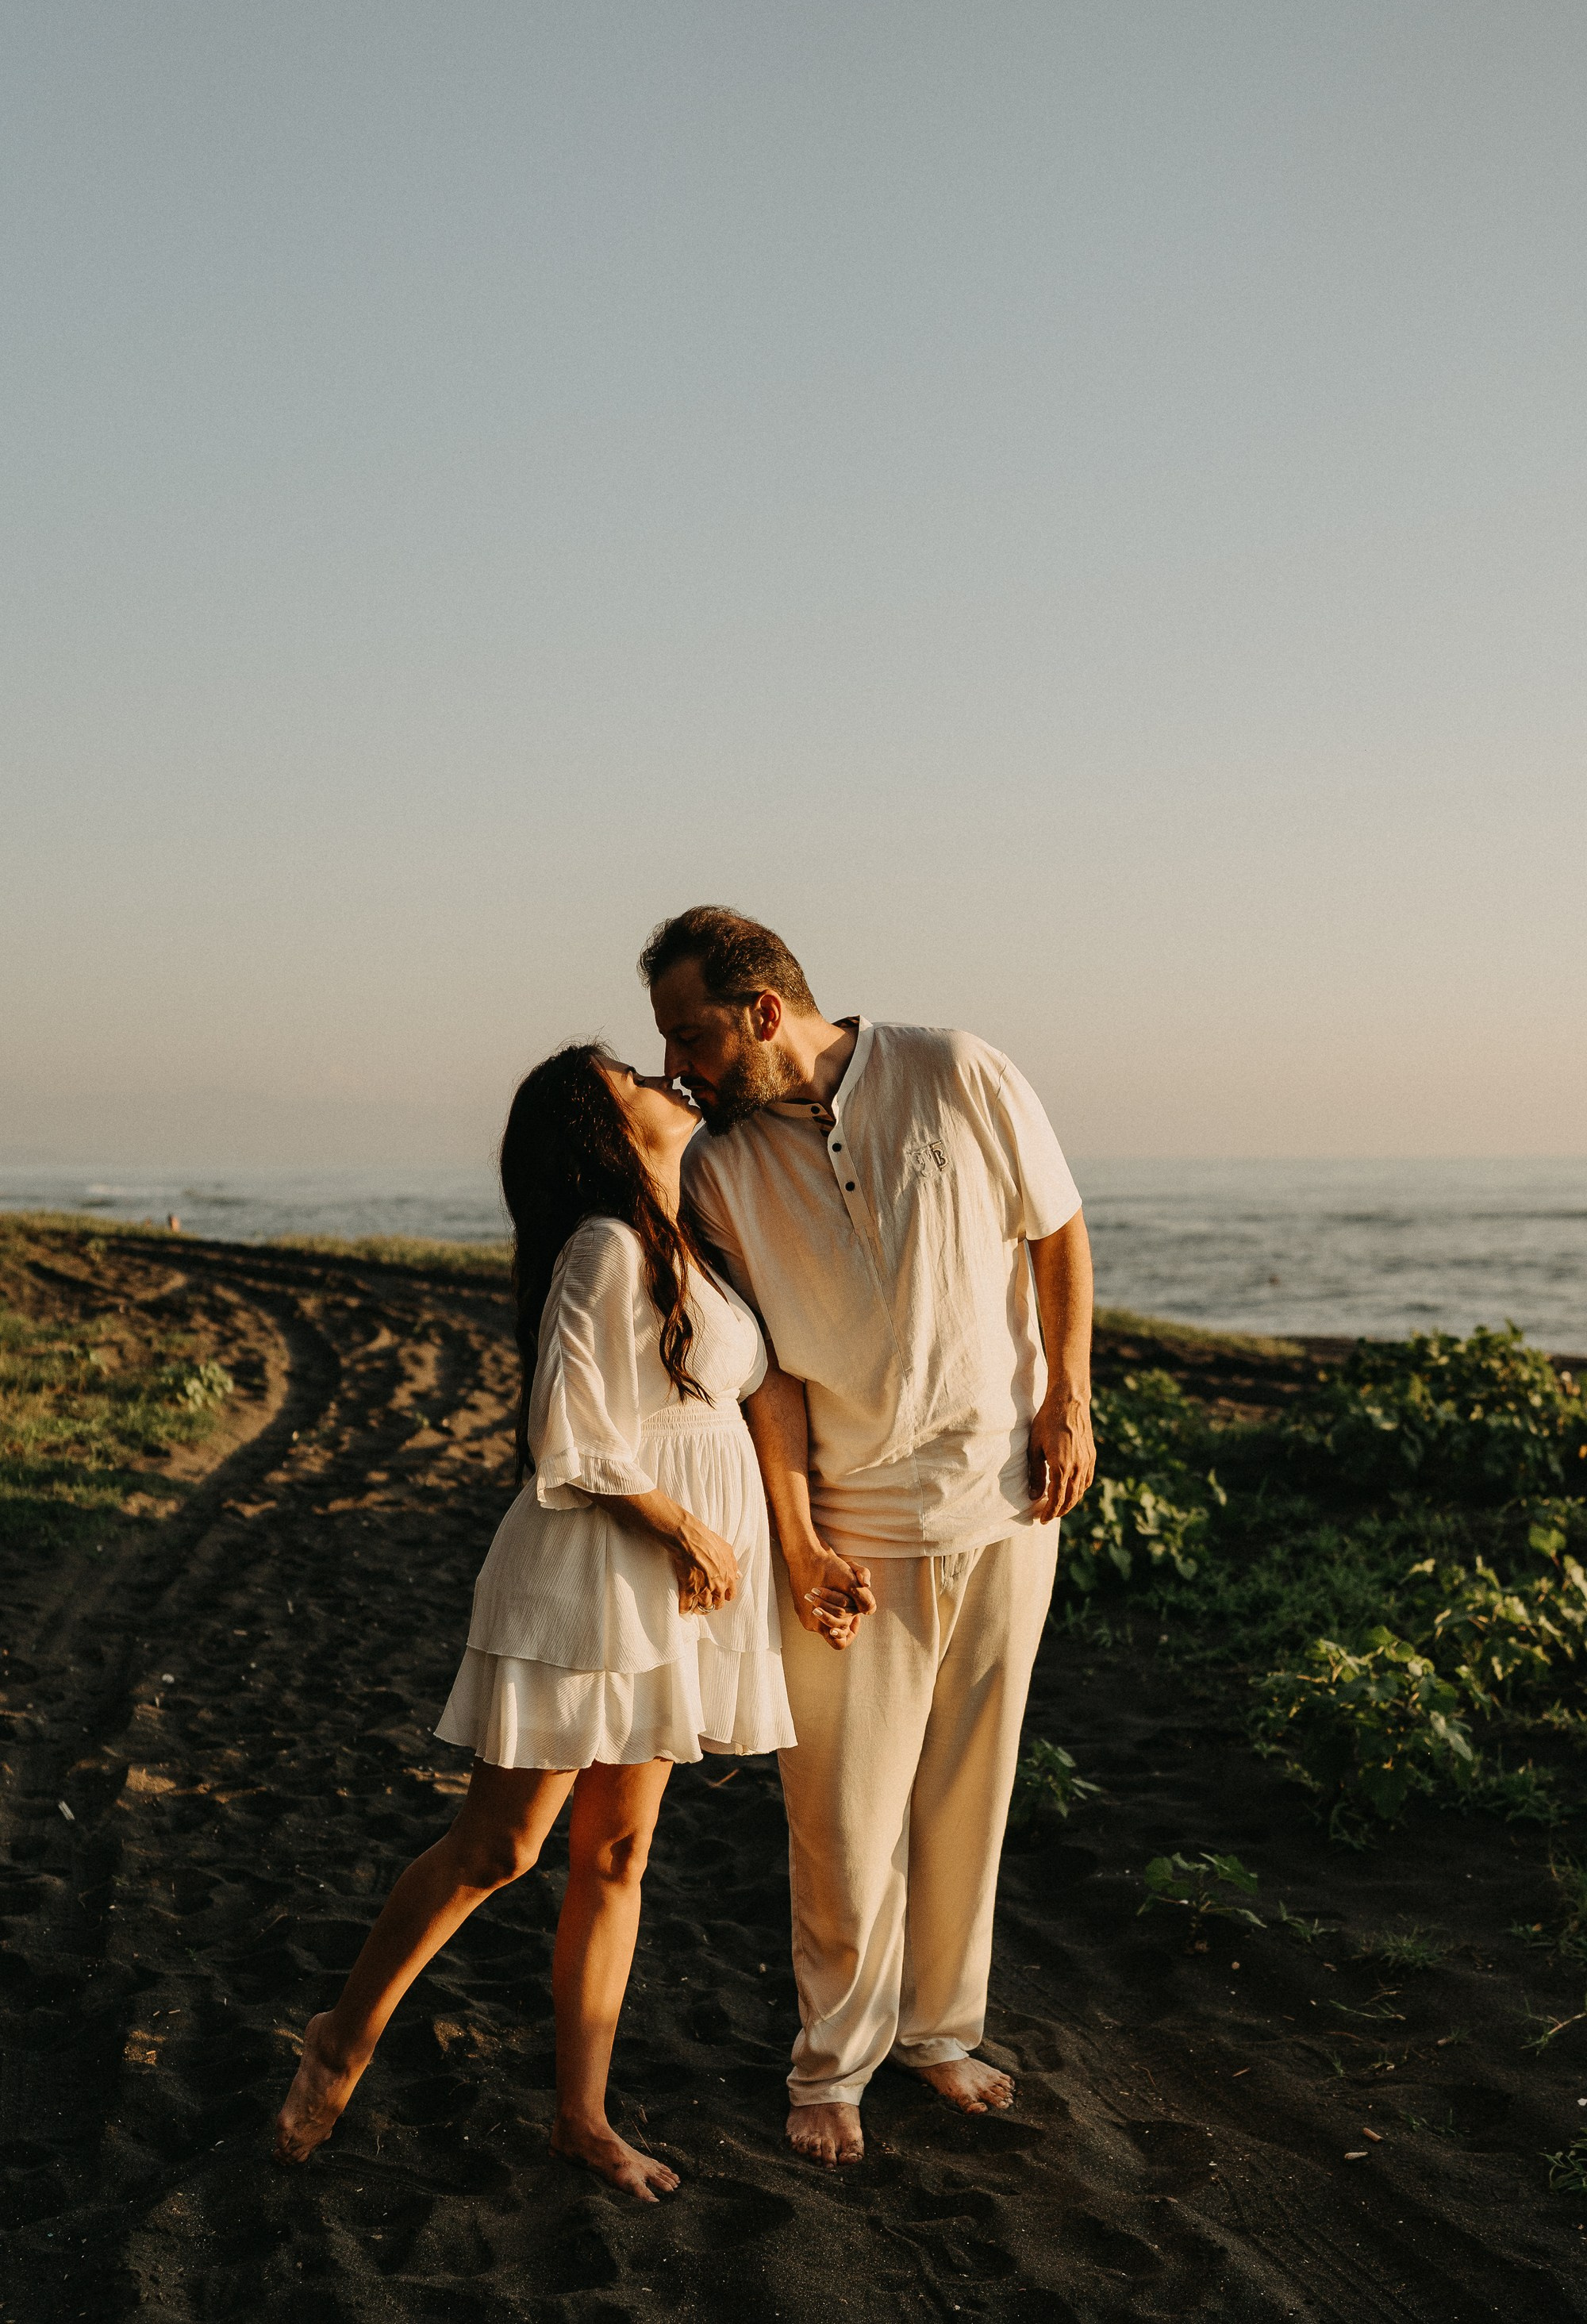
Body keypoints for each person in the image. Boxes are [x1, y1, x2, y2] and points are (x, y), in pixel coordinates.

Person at [274, 1042, 797, 2199]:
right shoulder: (605, 1249)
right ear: (598, 1128)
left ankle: (582, 2119)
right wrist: (682, 1529)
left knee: (617, 1852)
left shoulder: (694, 1248)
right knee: (502, 1848)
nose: (661, 1077)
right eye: (628, 1075)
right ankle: (342, 2035)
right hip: (594, 1563)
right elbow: (568, 1427)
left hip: (679, 1575)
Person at [642, 906, 1096, 2168]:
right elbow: (767, 1380)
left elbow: (1056, 1230)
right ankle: (831, 2060)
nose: (681, 1065)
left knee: (971, 1786)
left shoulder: (957, 1069)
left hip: (1010, 1504)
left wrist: (1071, 1396)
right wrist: (794, 1537)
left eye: (692, 1035)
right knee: (840, 1812)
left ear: (764, 1010)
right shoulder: (718, 1168)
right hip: (855, 1526)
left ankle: (941, 2036)